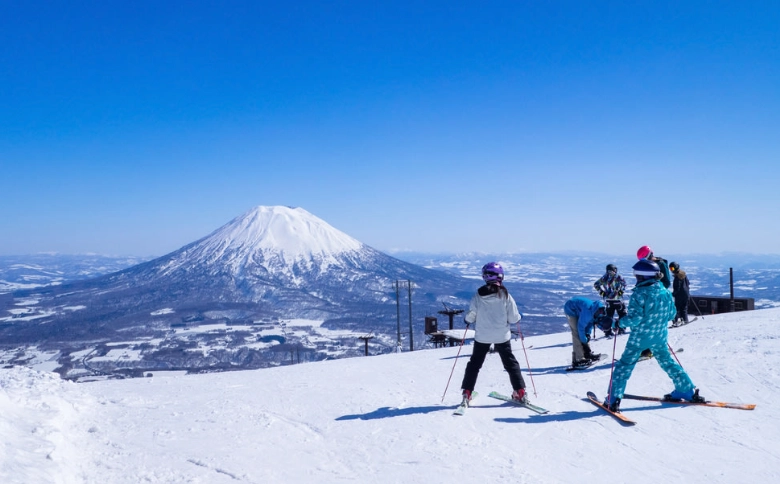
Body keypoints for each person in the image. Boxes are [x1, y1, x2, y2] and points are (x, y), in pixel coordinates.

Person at [602, 259, 705, 412]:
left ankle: (614, 398)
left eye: (636, 275)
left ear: (643, 277)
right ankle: (686, 390)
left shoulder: (639, 294)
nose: (635, 277)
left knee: (624, 366)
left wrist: (618, 323)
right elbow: (672, 314)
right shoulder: (664, 291)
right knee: (667, 362)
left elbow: (634, 319)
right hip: (659, 335)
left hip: (640, 338)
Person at [460, 262, 528, 404]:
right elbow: (514, 318)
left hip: (482, 336)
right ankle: (520, 392)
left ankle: (467, 392)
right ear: (501, 277)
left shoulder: (478, 295)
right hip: (502, 336)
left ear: (484, 277)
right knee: (510, 363)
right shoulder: (505, 295)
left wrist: (467, 320)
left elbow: (472, 314)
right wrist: (519, 316)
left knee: (474, 364)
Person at [636, 245, 673, 359]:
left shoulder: (661, 264)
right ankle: (646, 349)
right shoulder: (648, 265)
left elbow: (666, 282)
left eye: (646, 259)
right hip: (648, 296)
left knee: (653, 325)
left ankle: (652, 349)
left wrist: (656, 286)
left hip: (657, 297)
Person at [563, 296, 609, 368]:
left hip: (579, 310)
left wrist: (587, 334)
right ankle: (579, 359)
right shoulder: (588, 313)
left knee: (584, 336)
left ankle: (587, 354)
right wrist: (584, 341)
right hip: (570, 309)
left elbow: (590, 324)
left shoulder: (597, 313)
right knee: (577, 333)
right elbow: (581, 328)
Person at [593, 264, 628, 337]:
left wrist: (602, 293)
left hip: (608, 300)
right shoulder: (618, 276)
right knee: (622, 314)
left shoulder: (604, 277)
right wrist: (621, 292)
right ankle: (621, 329)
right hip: (618, 299)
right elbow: (624, 284)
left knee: (609, 316)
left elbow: (596, 284)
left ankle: (608, 331)